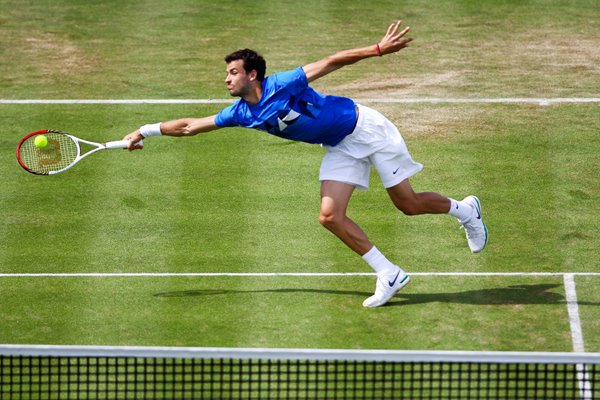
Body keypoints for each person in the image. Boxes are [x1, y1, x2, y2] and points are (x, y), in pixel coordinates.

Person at [123, 20, 488, 308]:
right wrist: (144, 130)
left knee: (407, 205)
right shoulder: (239, 112)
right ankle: (389, 273)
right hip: (339, 145)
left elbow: (331, 62)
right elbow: (189, 127)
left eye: (232, 71)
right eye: (227, 73)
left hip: (366, 128)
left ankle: (466, 210)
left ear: (252, 74)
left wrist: (377, 50)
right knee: (329, 216)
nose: (227, 78)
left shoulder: (283, 83)